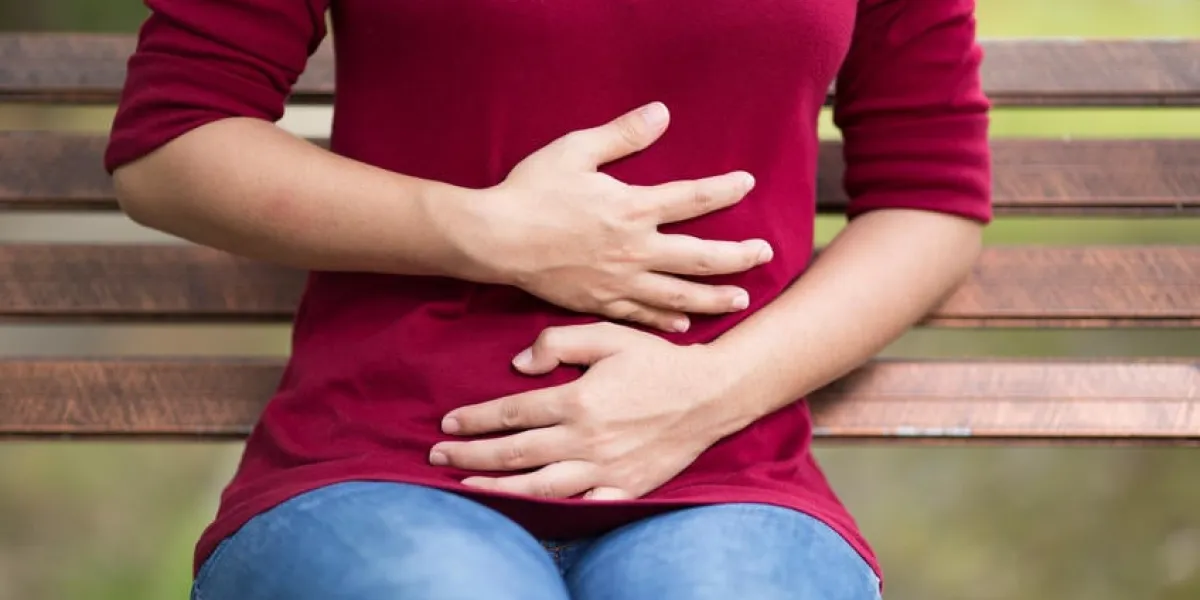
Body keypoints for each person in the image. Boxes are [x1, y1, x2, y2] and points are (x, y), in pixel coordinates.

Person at [106, 0, 991, 598]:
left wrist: (714, 390)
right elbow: (174, 145)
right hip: (379, 463)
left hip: (729, 476)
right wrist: (484, 231)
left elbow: (930, 198)